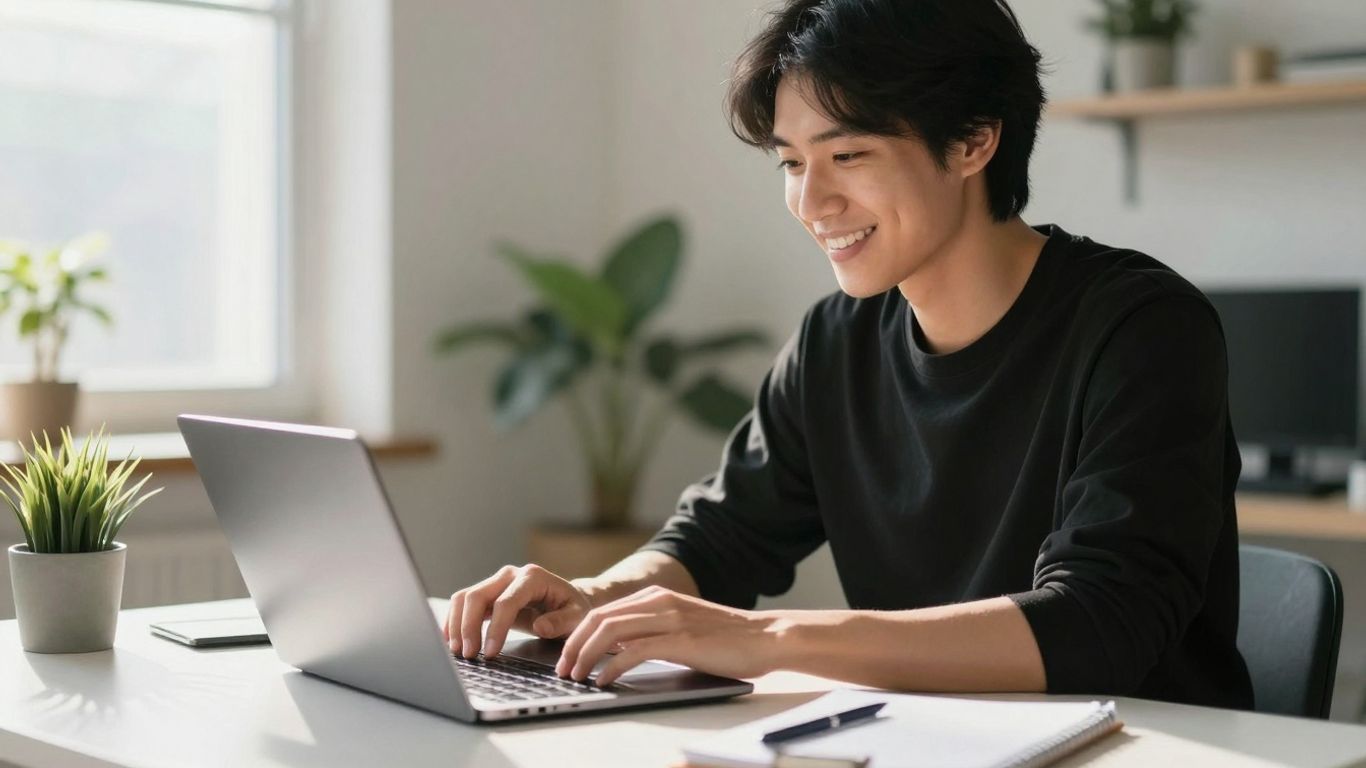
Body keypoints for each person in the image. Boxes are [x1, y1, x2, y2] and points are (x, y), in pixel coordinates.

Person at [444, 0, 1254, 709]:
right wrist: (594, 596)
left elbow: (1102, 623)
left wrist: (767, 640)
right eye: (791, 163)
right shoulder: (835, 342)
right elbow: (717, 539)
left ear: (973, 141)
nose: (811, 201)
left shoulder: (1142, 328)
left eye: (848, 155)